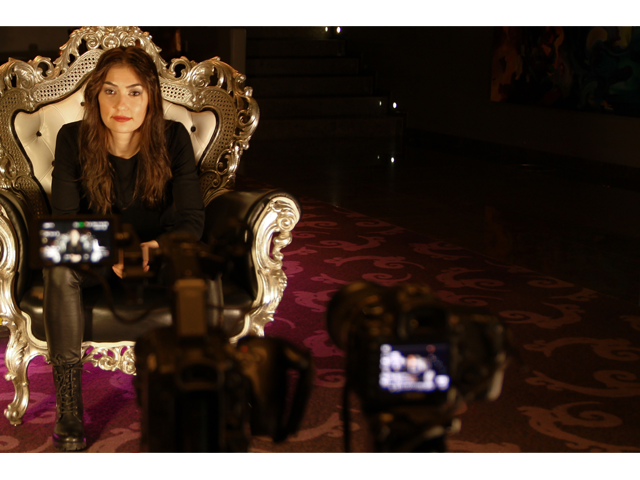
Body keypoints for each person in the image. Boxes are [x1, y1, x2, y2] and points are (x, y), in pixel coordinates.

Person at [44, 46, 205, 451]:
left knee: (195, 265)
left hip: (156, 256)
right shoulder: (72, 138)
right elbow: (65, 223)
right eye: (110, 91)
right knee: (59, 267)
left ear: (150, 97)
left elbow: (192, 221)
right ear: (95, 96)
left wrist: (156, 247)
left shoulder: (173, 138)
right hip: (97, 261)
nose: (121, 104)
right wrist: (112, 251)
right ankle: (69, 405)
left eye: (134, 92)